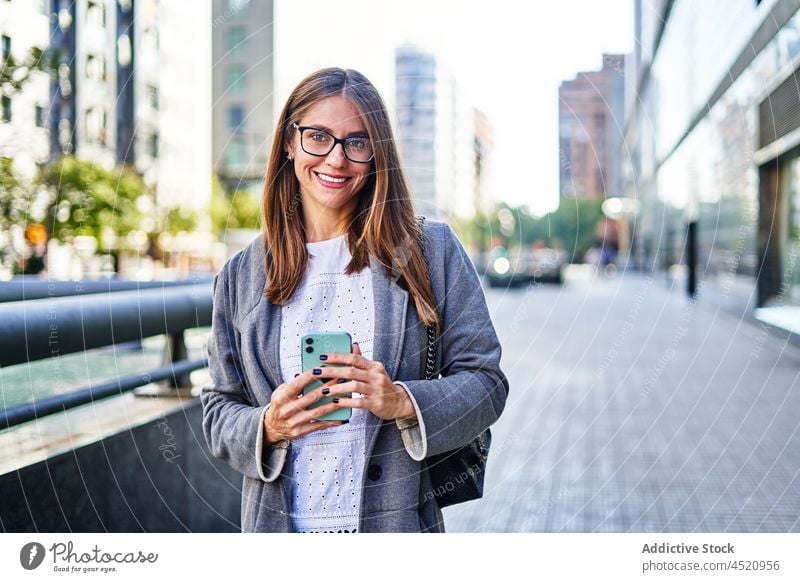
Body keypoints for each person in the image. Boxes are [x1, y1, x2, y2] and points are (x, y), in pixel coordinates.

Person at [201, 68, 508, 533]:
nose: (336, 159)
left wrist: (401, 400)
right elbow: (219, 409)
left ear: (377, 154)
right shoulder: (240, 276)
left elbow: (487, 383)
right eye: (318, 136)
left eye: (357, 142)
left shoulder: (432, 252)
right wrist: (269, 426)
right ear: (289, 142)